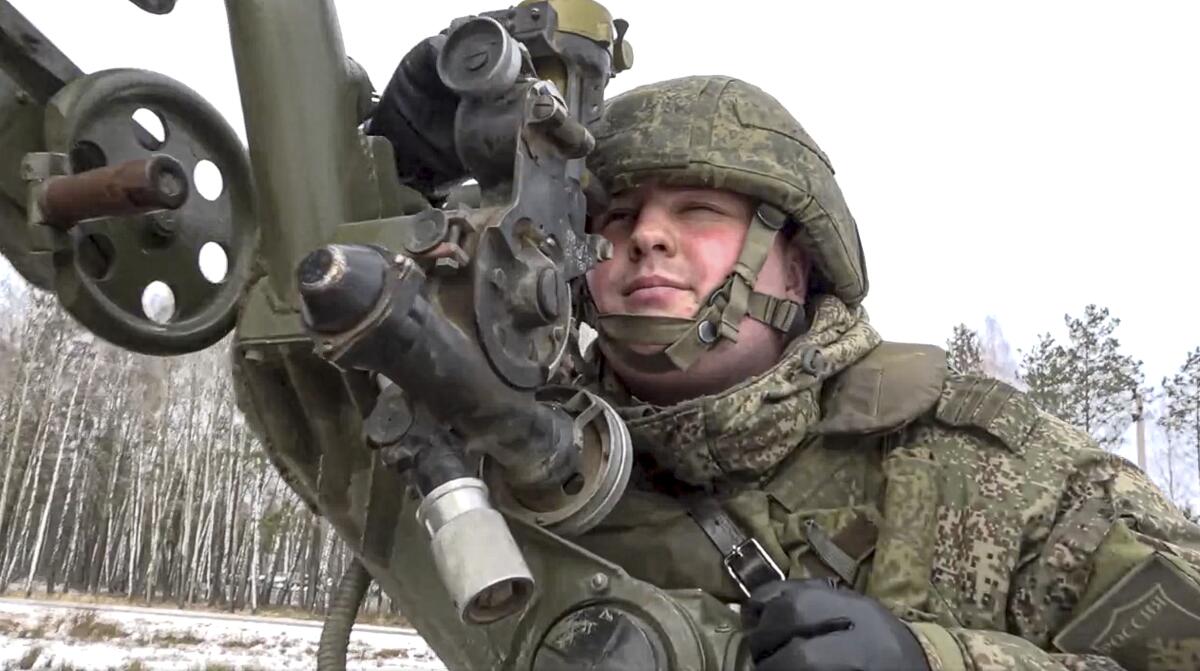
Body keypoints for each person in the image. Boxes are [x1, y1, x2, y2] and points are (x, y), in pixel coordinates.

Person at [370, 44, 1200, 671]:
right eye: (616, 217)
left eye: (697, 209)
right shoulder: (514, 459)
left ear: (797, 264)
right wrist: (386, 174)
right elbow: (315, 357)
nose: (647, 235)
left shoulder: (989, 469)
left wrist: (936, 661)